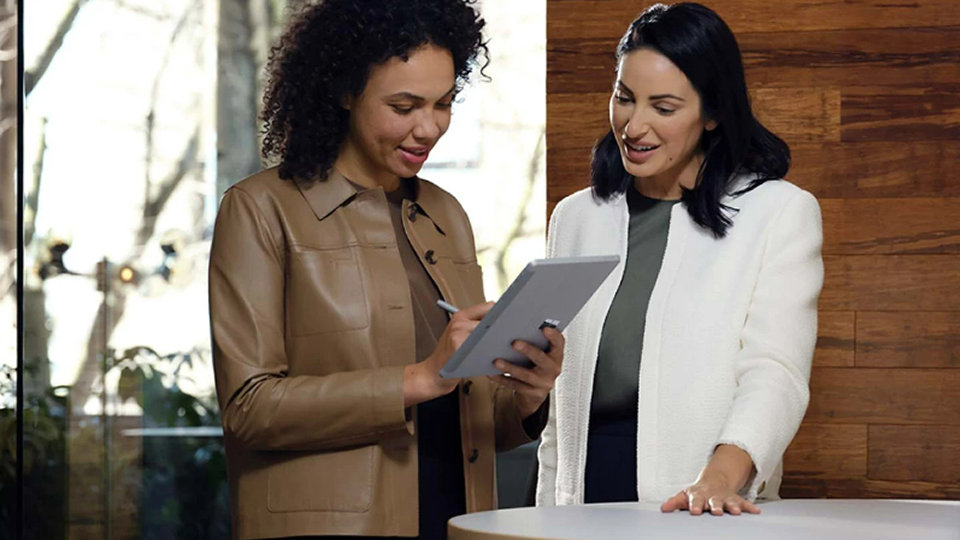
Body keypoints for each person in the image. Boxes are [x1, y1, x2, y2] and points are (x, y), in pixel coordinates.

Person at [208, 1, 563, 538]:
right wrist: (419, 378)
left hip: (456, 517)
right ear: (345, 91)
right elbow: (249, 408)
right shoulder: (260, 210)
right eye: (403, 106)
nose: (429, 128)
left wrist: (529, 394)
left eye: (444, 103)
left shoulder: (446, 214)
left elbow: (473, 412)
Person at [536, 2, 823, 516]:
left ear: (712, 113)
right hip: (582, 498)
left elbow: (774, 373)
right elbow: (561, 405)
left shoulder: (778, 212)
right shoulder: (576, 217)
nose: (634, 125)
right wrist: (545, 511)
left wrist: (720, 477)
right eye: (624, 98)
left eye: (663, 108)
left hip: (702, 500)